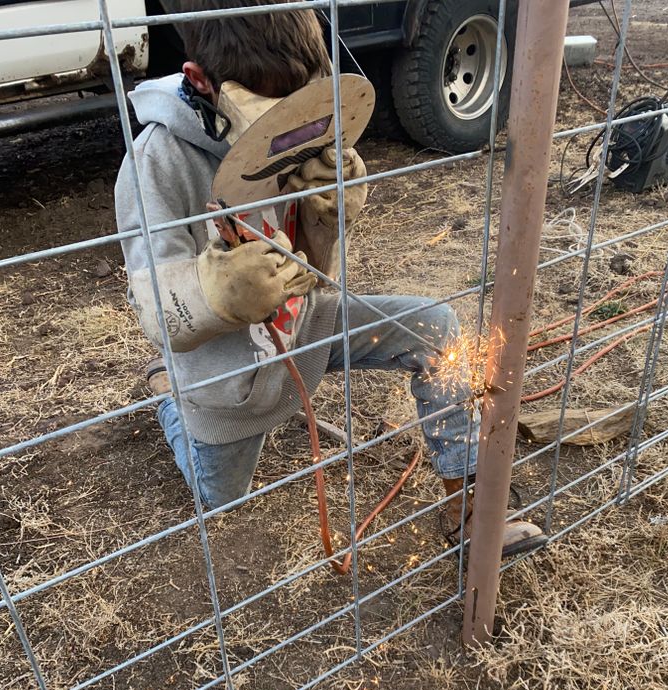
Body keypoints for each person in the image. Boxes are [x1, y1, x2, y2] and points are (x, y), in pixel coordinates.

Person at [115, 0, 543, 556]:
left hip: (308, 326)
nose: (288, 128)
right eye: (270, 116)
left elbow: (316, 258)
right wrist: (217, 292)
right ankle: (170, 396)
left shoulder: (303, 112)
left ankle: (472, 510)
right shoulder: (156, 162)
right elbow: (154, 300)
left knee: (434, 326)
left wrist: (331, 208)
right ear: (200, 83)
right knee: (220, 496)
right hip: (229, 380)